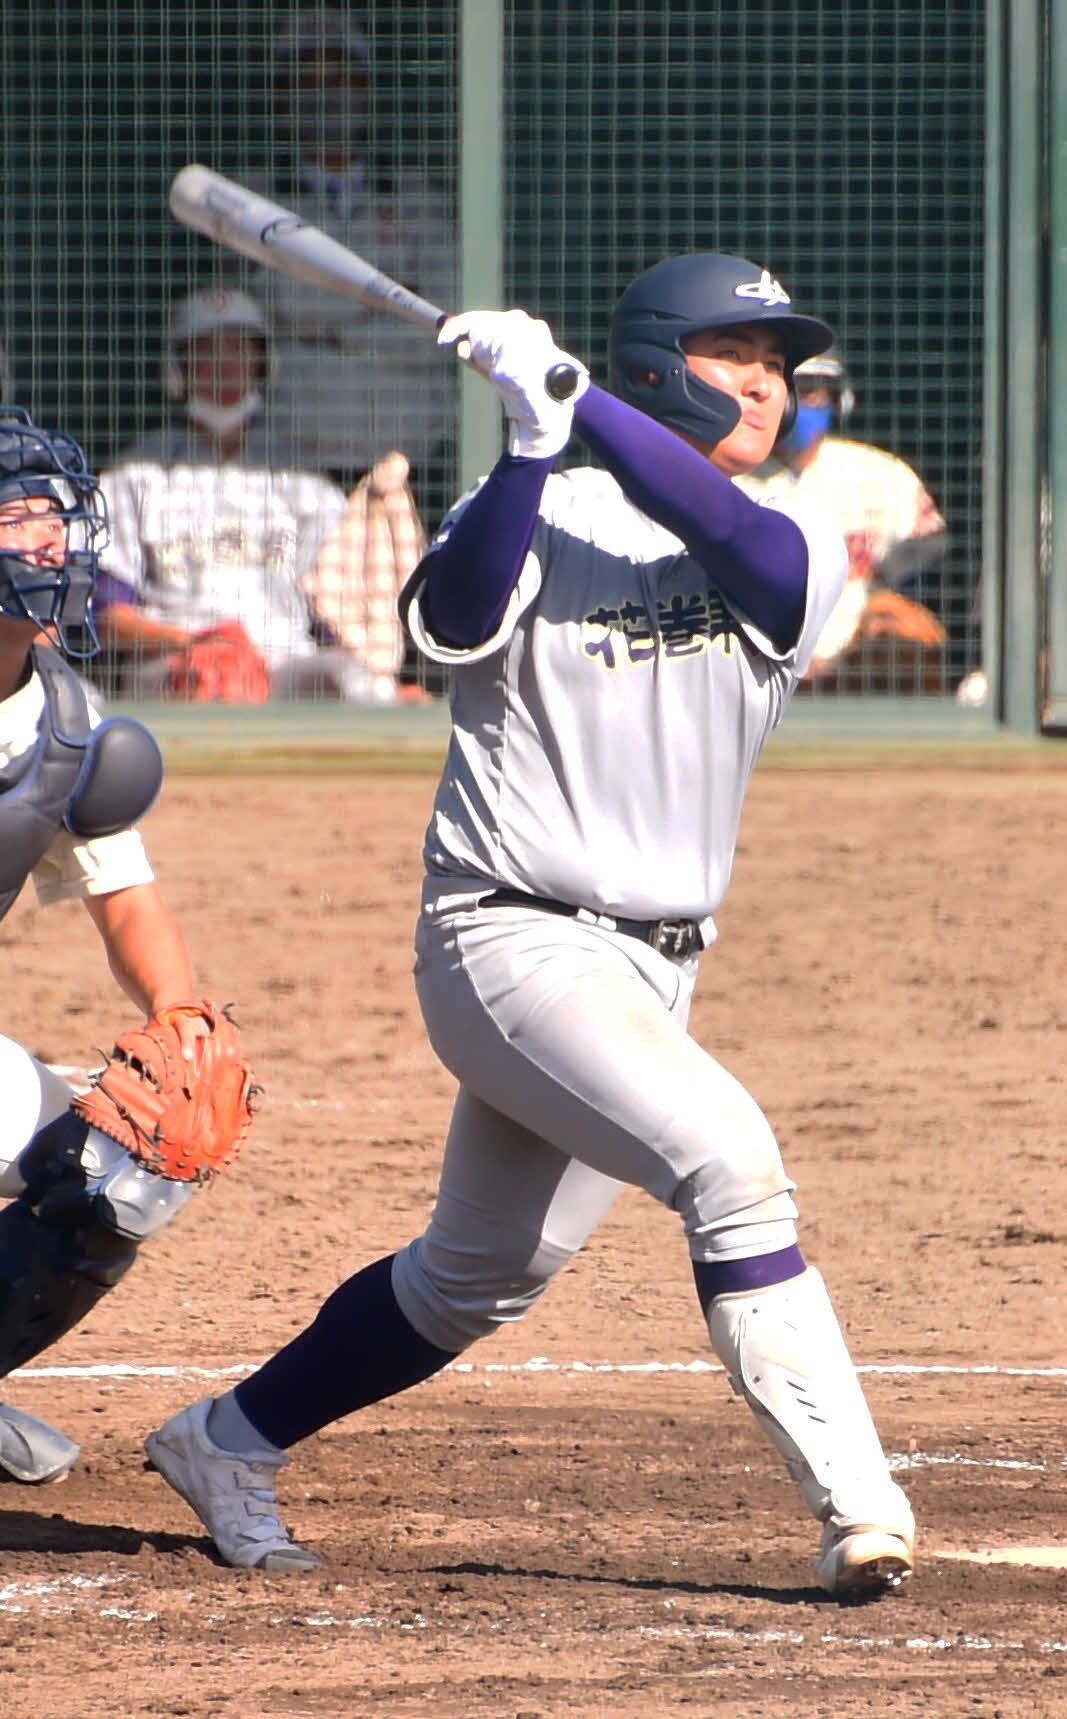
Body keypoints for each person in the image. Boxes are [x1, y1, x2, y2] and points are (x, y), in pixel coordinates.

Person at [144, 253, 916, 1599]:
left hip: (650, 968)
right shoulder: (532, 500)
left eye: (779, 361)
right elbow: (445, 621)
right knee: (731, 1161)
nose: (767, 383)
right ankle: (858, 1506)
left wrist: (572, 400)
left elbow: (729, 545)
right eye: (736, 352)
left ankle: (226, 1437)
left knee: (473, 1275)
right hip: (507, 937)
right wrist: (532, 442)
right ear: (661, 359)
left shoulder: (777, 537)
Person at [0, 407, 250, 1482]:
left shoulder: (60, 717)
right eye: (16, 516)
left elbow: (126, 898)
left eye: (55, 514)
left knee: (130, 1159)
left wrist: (181, 1018)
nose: (48, 540)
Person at [96, 285, 418, 704]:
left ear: (263, 363)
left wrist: (385, 687)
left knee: (354, 679)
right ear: (179, 367)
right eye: (206, 353)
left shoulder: (302, 477)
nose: (224, 368)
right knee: (207, 682)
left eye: (238, 351)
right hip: (177, 661)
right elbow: (107, 617)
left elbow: (336, 613)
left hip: (281, 662)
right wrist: (197, 642)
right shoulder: (133, 474)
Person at [245, 8, 456, 492]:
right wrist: (389, 298)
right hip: (294, 466)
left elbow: (442, 324)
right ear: (282, 97)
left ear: (365, 88)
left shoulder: (416, 199)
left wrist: (318, 323)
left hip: (409, 462)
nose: (326, 95)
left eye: (340, 78)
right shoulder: (256, 201)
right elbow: (262, 314)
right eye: (307, 81)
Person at [742, 346, 949, 684]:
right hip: (757, 668)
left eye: (810, 393)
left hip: (859, 662)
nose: (795, 406)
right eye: (788, 392)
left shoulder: (874, 470)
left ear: (839, 399)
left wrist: (886, 593)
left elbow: (931, 548)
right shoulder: (729, 476)